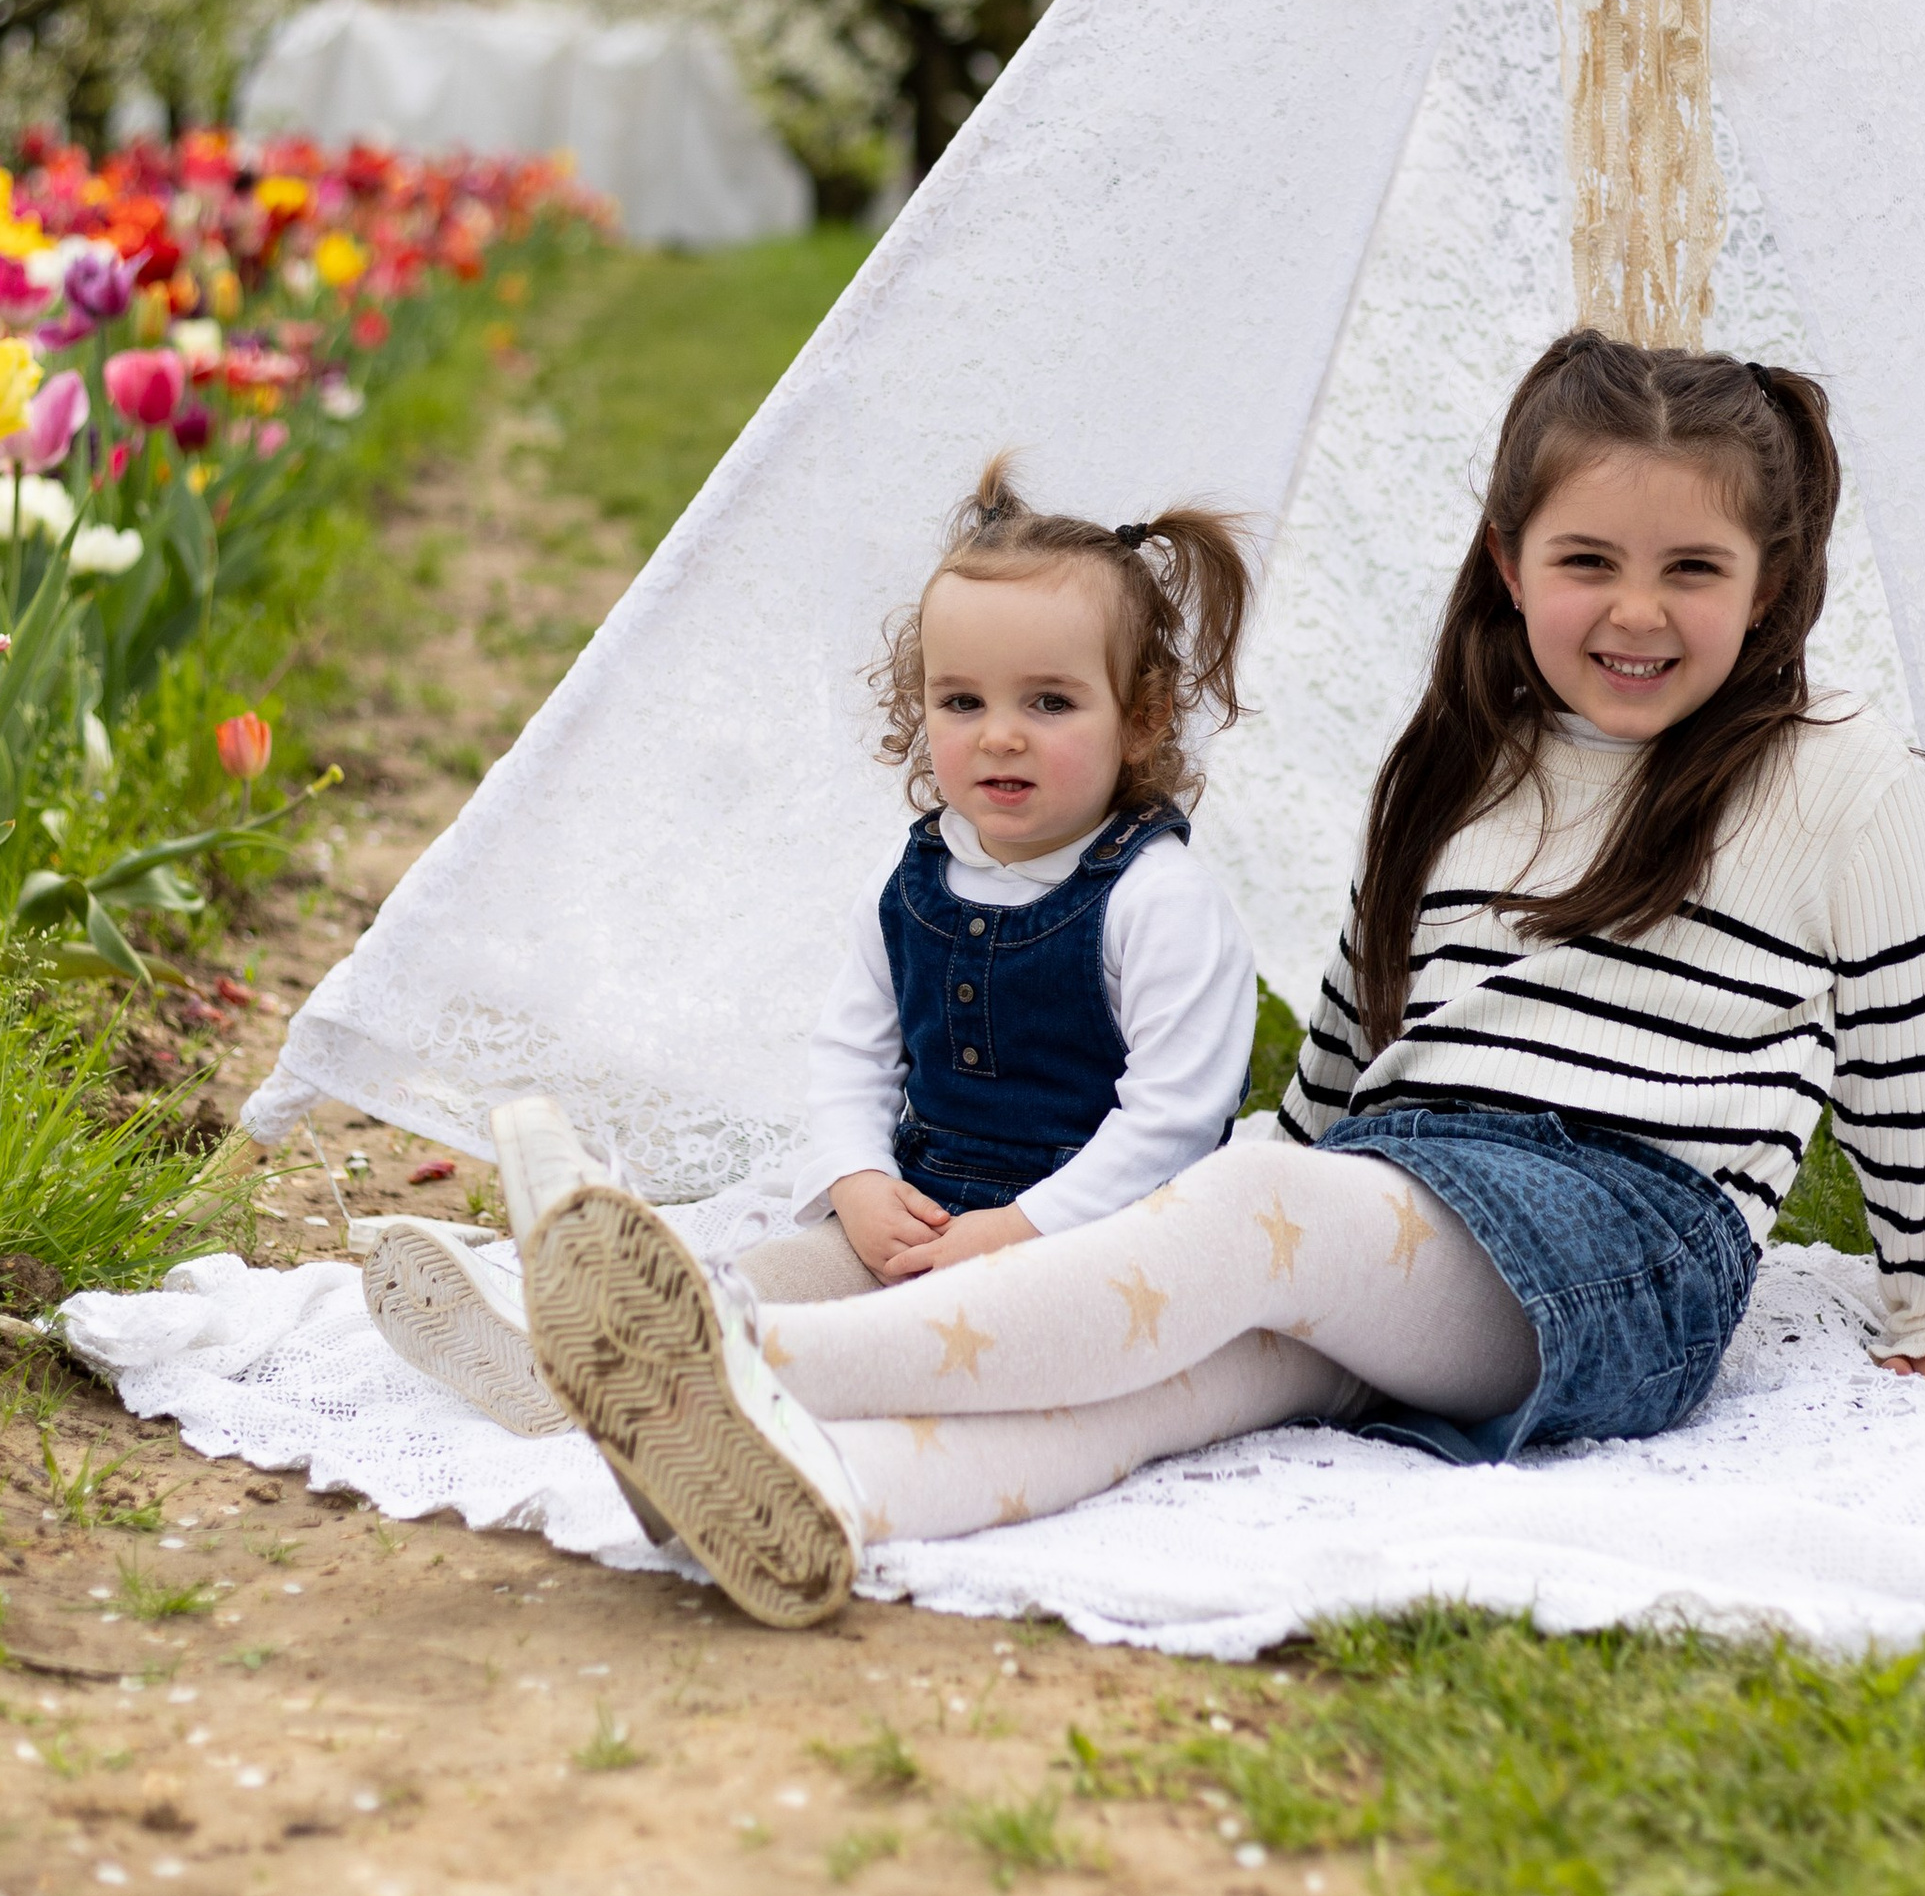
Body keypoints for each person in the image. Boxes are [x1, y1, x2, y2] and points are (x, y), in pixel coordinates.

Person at [493, 333, 1925, 1628]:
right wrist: (1285, 1188)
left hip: (1627, 1238)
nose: (1636, 609)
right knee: (1190, 1374)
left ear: (1773, 581)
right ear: (1511, 562)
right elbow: (1361, 1024)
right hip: (1407, 1187)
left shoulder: (1832, 772)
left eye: (1692, 568)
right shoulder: (1464, 758)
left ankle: (733, 1358)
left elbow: (1911, 1045)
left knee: (1251, 1217)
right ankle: (806, 1499)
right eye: (1588, 558)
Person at [359, 461, 1261, 1435]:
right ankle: (583, 1357)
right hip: (921, 1208)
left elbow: (1172, 1117)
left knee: (959, 1351)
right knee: (772, 1279)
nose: (1000, 736)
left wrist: (1023, 1228)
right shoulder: (919, 880)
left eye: (1049, 703)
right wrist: (860, 1180)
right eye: (962, 702)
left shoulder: (1158, 900)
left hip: (1094, 1239)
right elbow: (853, 1051)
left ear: (1144, 716)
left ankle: (730, 1387)